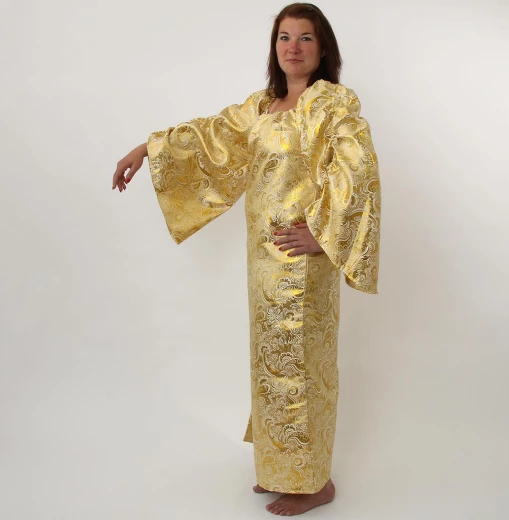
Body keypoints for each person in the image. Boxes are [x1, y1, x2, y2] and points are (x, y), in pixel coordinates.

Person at [112, 2, 380, 516]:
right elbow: (212, 136)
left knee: (302, 367)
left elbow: (356, 167)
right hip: (263, 262)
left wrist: (324, 233)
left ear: (323, 48)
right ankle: (281, 468)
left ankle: (314, 483)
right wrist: (146, 149)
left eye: (305, 38)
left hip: (302, 264)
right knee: (271, 362)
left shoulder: (332, 103)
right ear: (274, 46)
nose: (293, 48)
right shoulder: (262, 105)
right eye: (284, 37)